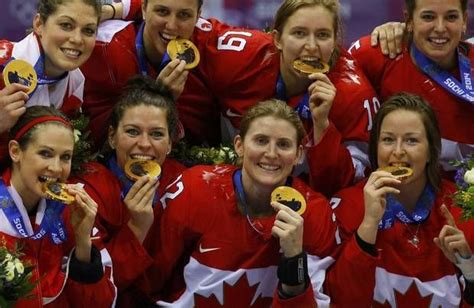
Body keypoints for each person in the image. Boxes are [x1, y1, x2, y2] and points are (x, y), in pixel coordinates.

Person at [134, 99, 338, 306]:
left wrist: (294, 259)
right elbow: (149, 282)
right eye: (260, 141)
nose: (271, 153)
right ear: (239, 146)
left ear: (298, 154)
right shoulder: (195, 189)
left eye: (283, 144)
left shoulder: (314, 212)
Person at [172, 0, 378, 197]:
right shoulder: (242, 56)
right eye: (299, 33)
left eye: (323, 35)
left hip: (305, 203)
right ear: (277, 39)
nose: (312, 46)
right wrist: (139, 6)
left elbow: (349, 186)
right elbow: (187, 28)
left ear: (334, 42)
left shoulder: (353, 96)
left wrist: (322, 127)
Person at [325, 92, 474, 307]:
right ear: (375, 148)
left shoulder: (460, 208)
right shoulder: (348, 206)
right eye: (387, 140)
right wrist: (368, 226)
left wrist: (469, 270)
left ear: (432, 151)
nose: (398, 151)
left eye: (411, 140)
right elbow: (340, 300)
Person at [72, 75, 186, 306]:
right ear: (112, 137)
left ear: (170, 143)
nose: (144, 144)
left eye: (157, 134)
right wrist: (137, 227)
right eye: (133, 132)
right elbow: (96, 293)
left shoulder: (186, 182)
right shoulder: (88, 190)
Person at [0, 106, 115, 307]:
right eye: (45, 153)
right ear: (15, 151)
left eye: (65, 157)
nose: (56, 168)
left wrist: (82, 244)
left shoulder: (72, 212)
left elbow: (103, 302)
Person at [348, 0, 474, 176]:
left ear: (465, 21)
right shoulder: (380, 52)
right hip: (388, 193)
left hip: (460, 197)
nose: (440, 27)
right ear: (409, 20)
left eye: (451, 17)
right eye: (428, 17)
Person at [80, 0, 222, 148]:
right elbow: (92, 140)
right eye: (162, 12)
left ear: (198, 16)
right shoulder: (102, 48)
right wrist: (161, 99)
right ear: (143, 9)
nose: (172, 26)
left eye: (184, 15)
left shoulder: (212, 53)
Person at [0, 0, 101, 162]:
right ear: (39, 24)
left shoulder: (75, 85)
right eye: (66, 25)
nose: (77, 39)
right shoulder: (2, 62)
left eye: (88, 30)